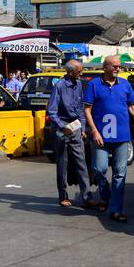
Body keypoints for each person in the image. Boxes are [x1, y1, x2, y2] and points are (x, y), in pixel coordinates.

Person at [83, 55, 134, 222]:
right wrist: (94, 131)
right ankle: (105, 194)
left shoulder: (125, 84)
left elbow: (131, 106)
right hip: (100, 137)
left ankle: (116, 209)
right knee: (99, 169)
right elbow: (87, 110)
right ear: (105, 68)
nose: (118, 69)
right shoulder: (94, 85)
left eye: (119, 66)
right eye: (115, 66)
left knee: (120, 174)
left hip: (122, 137)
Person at [46, 59, 92, 208]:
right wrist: (62, 126)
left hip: (76, 127)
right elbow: (51, 111)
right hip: (62, 129)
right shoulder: (59, 86)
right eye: (79, 71)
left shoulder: (78, 84)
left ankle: (86, 197)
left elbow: (80, 108)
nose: (81, 74)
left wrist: (82, 127)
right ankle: (62, 196)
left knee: (81, 163)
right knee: (62, 163)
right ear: (71, 72)